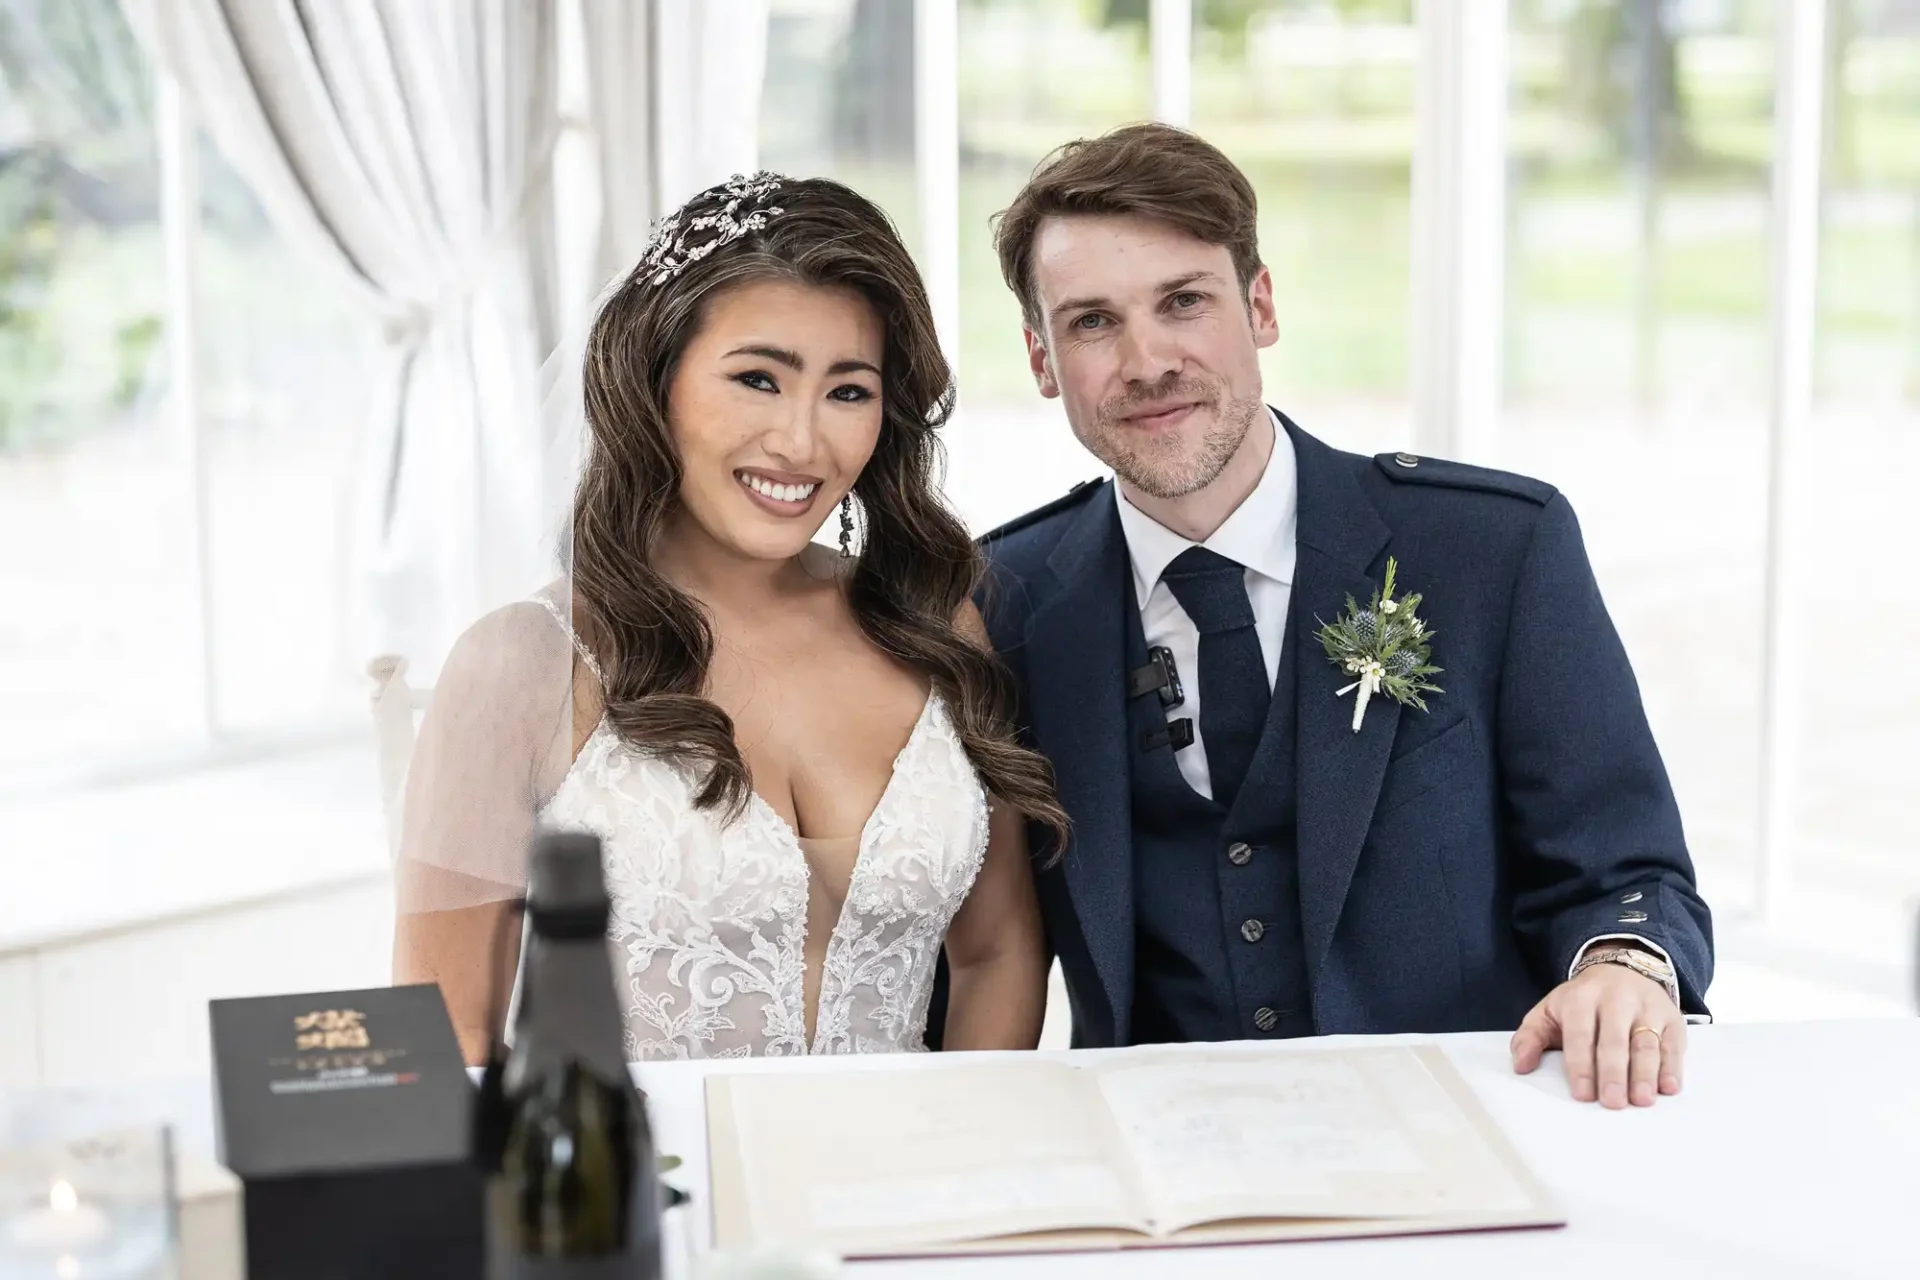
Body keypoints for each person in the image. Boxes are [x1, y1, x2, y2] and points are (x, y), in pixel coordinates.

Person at [974, 124, 1713, 1109]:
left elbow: (1628, 871)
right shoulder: (1003, 601)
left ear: (1261, 304)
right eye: (1094, 322)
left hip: (1478, 1132)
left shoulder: (1491, 548)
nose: (1148, 361)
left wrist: (1624, 963)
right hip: (1165, 1162)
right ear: (1041, 357)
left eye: (1184, 301)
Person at [392, 173, 1065, 1065]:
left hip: (911, 1185)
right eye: (758, 379)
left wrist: (959, 1179)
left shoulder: (932, 626)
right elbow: (448, 1035)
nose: (800, 441)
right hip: (648, 1195)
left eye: (849, 391)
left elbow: (996, 956)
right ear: (655, 377)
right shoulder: (523, 664)